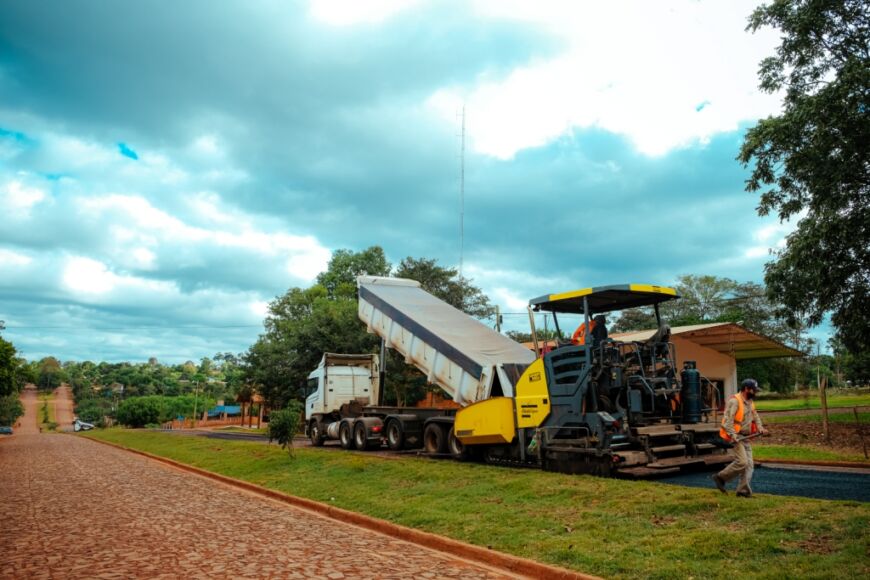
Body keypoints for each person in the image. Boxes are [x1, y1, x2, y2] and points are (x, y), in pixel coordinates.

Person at [712, 378, 769, 497]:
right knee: (742, 461)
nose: (755, 393)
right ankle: (720, 477)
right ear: (746, 389)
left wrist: (760, 428)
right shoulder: (735, 401)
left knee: (749, 466)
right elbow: (726, 422)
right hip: (736, 436)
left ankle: (743, 492)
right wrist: (733, 435)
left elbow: (756, 416)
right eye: (754, 390)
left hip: (746, 437)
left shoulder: (750, 401)